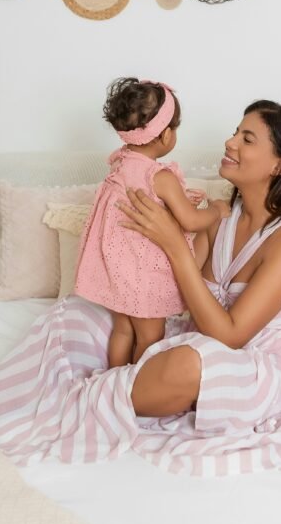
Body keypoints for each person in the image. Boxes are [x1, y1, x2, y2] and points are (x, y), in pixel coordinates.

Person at [0, 100, 281, 479]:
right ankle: (91, 391)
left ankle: (80, 400)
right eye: (235, 133)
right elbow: (185, 297)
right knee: (82, 313)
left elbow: (231, 335)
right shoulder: (221, 215)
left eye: (247, 138)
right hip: (199, 333)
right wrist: (147, 251)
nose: (230, 143)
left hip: (264, 361)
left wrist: (173, 244)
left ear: (280, 165)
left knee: (187, 364)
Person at [74, 77, 230, 368]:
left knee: (123, 329)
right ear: (166, 135)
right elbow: (191, 221)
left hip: (116, 269)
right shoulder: (161, 177)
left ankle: (113, 383)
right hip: (142, 273)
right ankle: (136, 388)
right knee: (150, 335)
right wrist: (217, 210)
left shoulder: (120, 164)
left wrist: (178, 201)